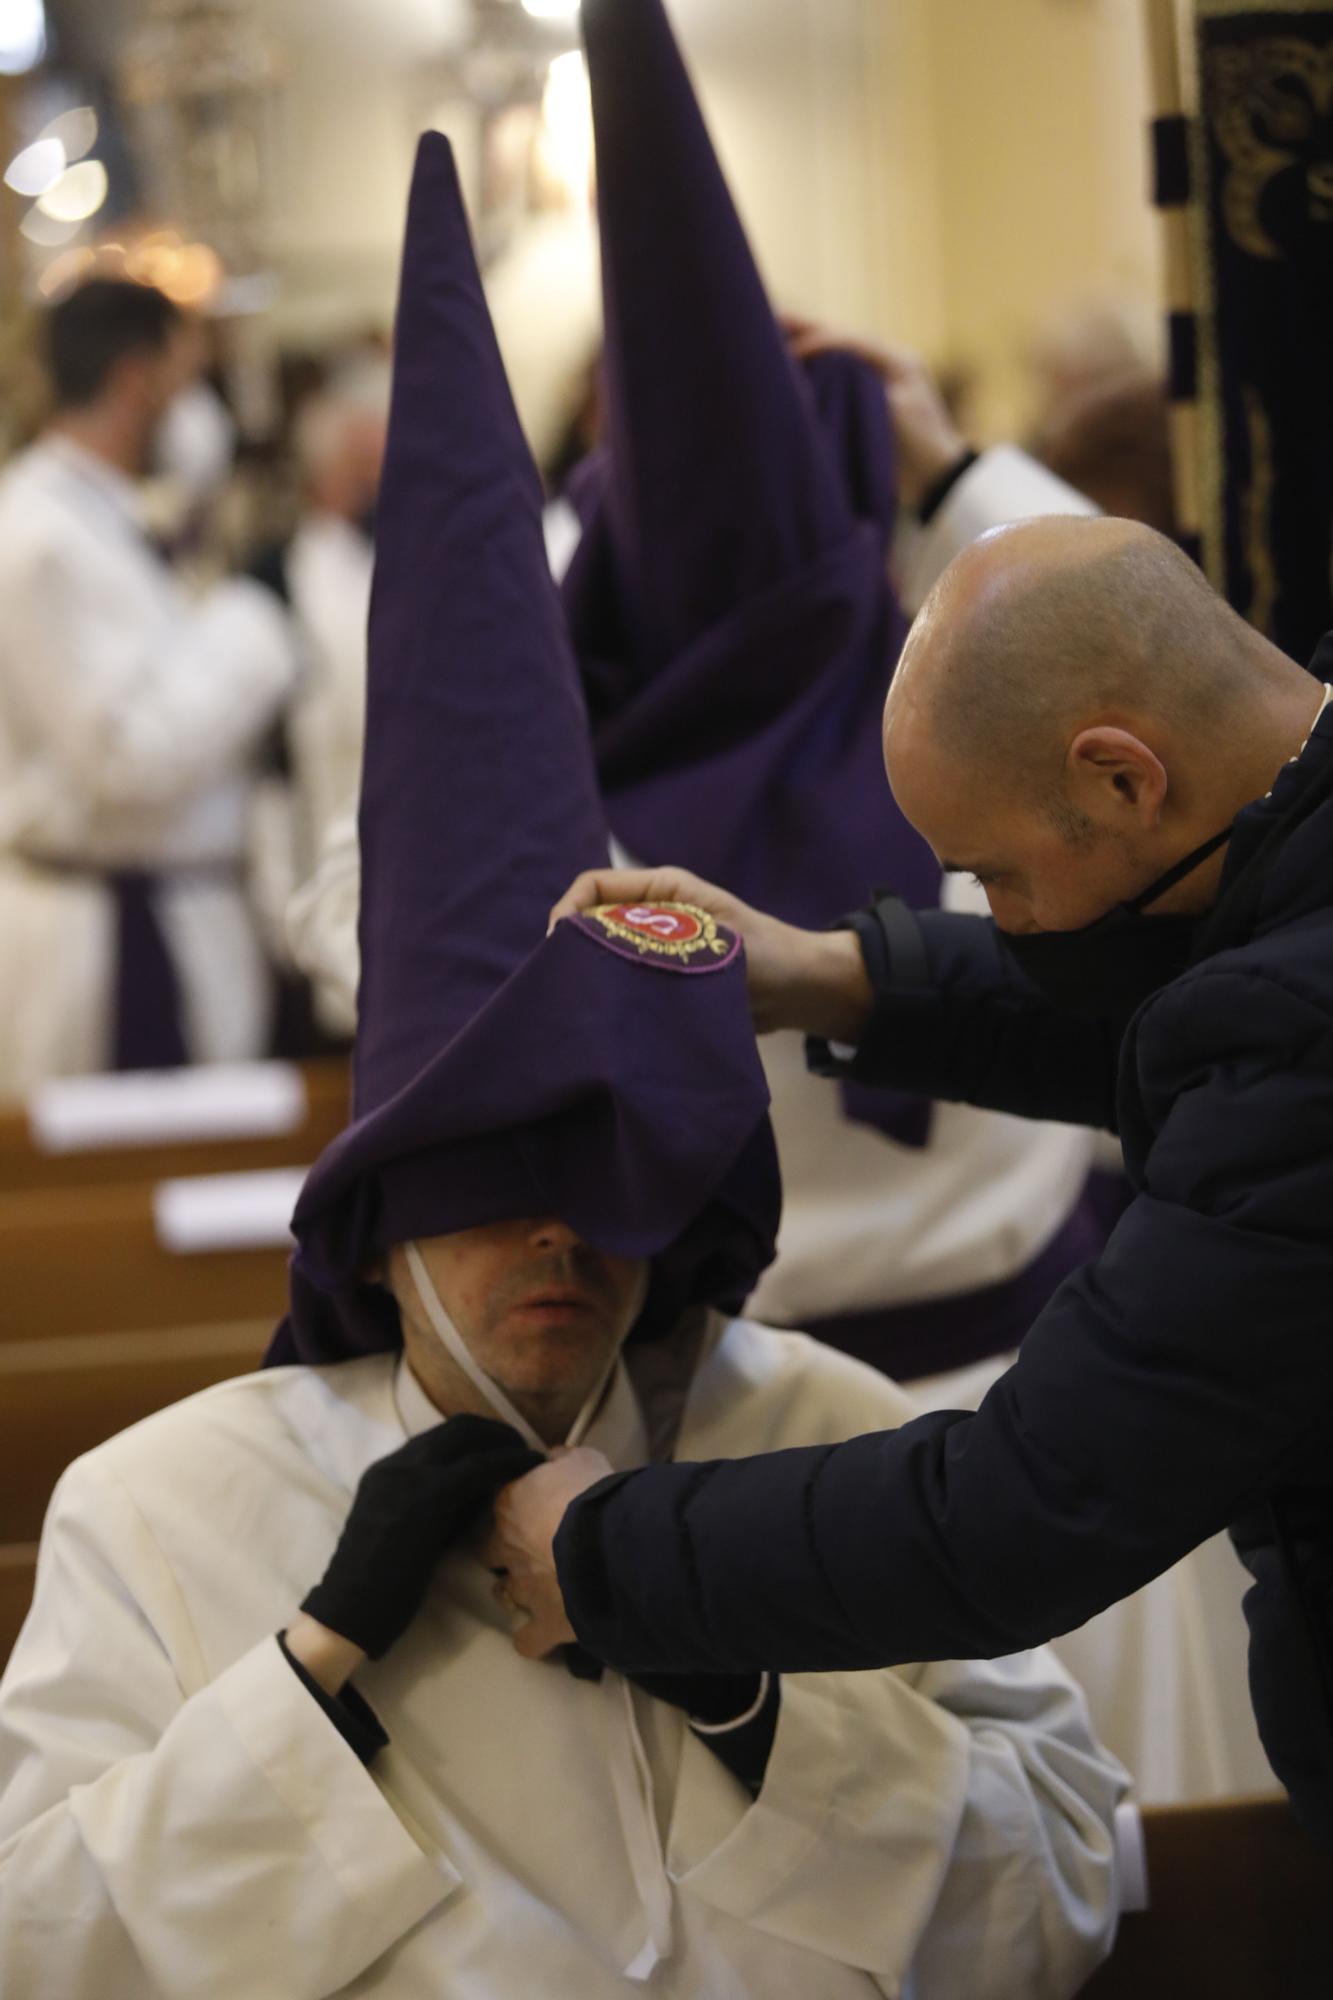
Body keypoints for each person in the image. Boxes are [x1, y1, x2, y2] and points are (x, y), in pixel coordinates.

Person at [0, 136, 1126, 2000]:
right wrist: (311, 1678)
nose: (559, 1230)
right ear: (374, 1216)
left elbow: (1063, 1888)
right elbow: (40, 1949)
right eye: (487, 1165)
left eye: (605, 1161)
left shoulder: (832, 1442)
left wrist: (742, 1686)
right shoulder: (160, 1515)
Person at [492, 510, 1333, 1845]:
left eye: (995, 876)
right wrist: (841, 974)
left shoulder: (1294, 1038)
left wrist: (603, 1550)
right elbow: (1179, 989)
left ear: (1123, 777)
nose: (999, 918)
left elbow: (1024, 1510)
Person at [0, 279, 297, 1087]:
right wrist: (252, 630)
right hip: (109, 944)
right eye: (186, 375)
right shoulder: (38, 536)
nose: (194, 407)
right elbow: (127, 761)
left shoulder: (105, 517)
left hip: (173, 914)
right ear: (137, 379)